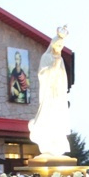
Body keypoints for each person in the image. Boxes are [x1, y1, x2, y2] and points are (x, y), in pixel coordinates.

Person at [28, 25, 71, 155]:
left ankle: (57, 143)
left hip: (58, 93)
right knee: (47, 114)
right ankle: (46, 141)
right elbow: (42, 74)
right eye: (57, 45)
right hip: (48, 93)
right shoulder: (46, 57)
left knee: (58, 117)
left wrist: (58, 71)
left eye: (61, 46)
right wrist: (53, 68)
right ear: (52, 45)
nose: (59, 48)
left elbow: (63, 77)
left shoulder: (61, 59)